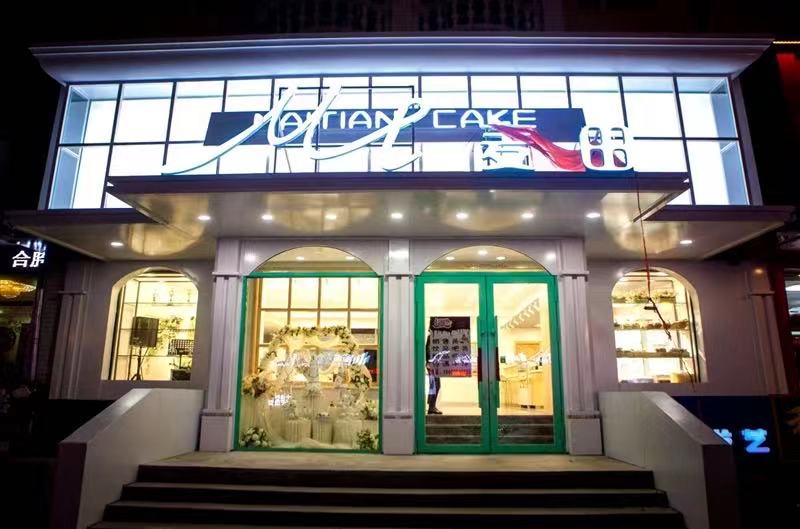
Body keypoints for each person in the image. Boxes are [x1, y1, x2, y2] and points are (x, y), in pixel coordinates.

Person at [425, 335, 442, 414]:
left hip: (434, 364)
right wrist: (429, 362)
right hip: (432, 365)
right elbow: (428, 350)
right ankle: (431, 407)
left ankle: (431, 406)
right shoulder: (432, 336)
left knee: (434, 385)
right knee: (435, 385)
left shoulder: (434, 336)